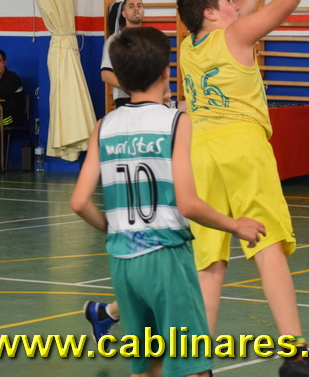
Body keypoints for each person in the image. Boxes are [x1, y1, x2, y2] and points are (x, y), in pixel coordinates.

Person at [176, 0, 309, 377]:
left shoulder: (188, 45)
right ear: (212, 13)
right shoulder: (236, 35)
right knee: (269, 247)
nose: (237, 4)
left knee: (210, 261)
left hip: (199, 152)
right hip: (242, 147)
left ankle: (197, 364)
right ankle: (296, 354)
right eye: (227, 1)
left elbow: (242, 0)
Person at [70, 26, 265, 377]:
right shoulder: (176, 122)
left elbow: (79, 202)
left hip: (122, 261)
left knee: (148, 365)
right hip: (166, 258)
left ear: (120, 77)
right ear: (165, 71)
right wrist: (236, 225)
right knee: (193, 366)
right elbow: (188, 204)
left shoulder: (104, 125)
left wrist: (113, 229)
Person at [101, 0, 144, 108]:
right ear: (124, 14)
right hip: (126, 100)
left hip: (150, 98)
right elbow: (106, 74)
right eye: (131, 6)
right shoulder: (115, 40)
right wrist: (131, 88)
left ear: (143, 11)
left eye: (139, 6)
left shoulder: (150, 39)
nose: (136, 9)